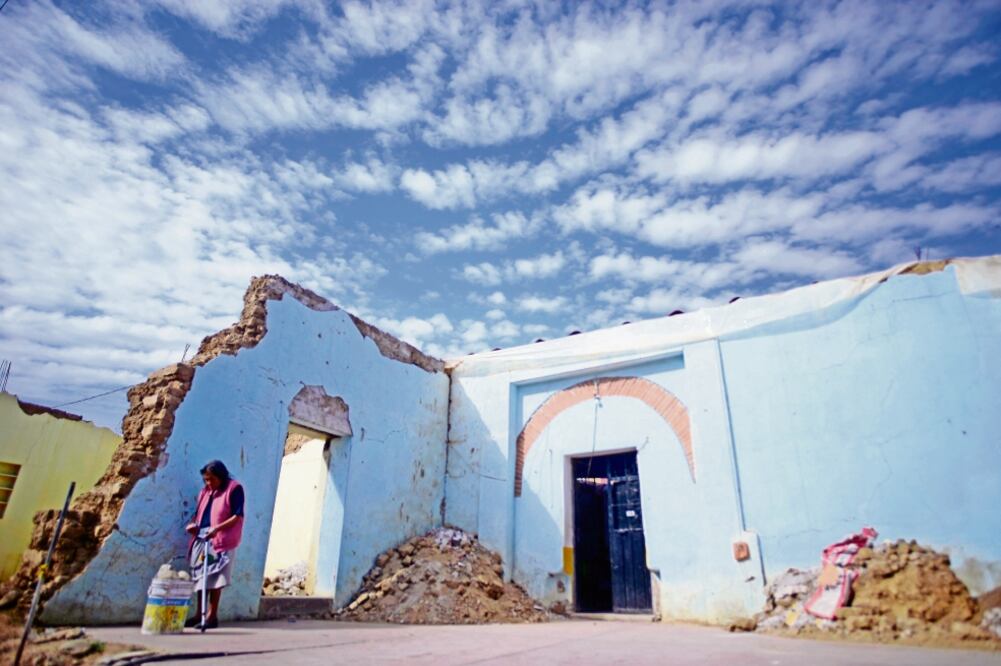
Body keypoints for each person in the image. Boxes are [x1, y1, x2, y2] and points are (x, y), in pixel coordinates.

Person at [185, 460, 244, 630]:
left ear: (221, 476)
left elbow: (237, 516)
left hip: (221, 540)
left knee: (216, 578)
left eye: (211, 479)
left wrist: (216, 529)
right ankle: (199, 614)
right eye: (206, 480)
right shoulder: (205, 492)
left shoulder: (234, 489)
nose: (208, 483)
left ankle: (212, 615)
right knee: (201, 578)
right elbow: (199, 514)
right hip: (202, 537)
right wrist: (193, 526)